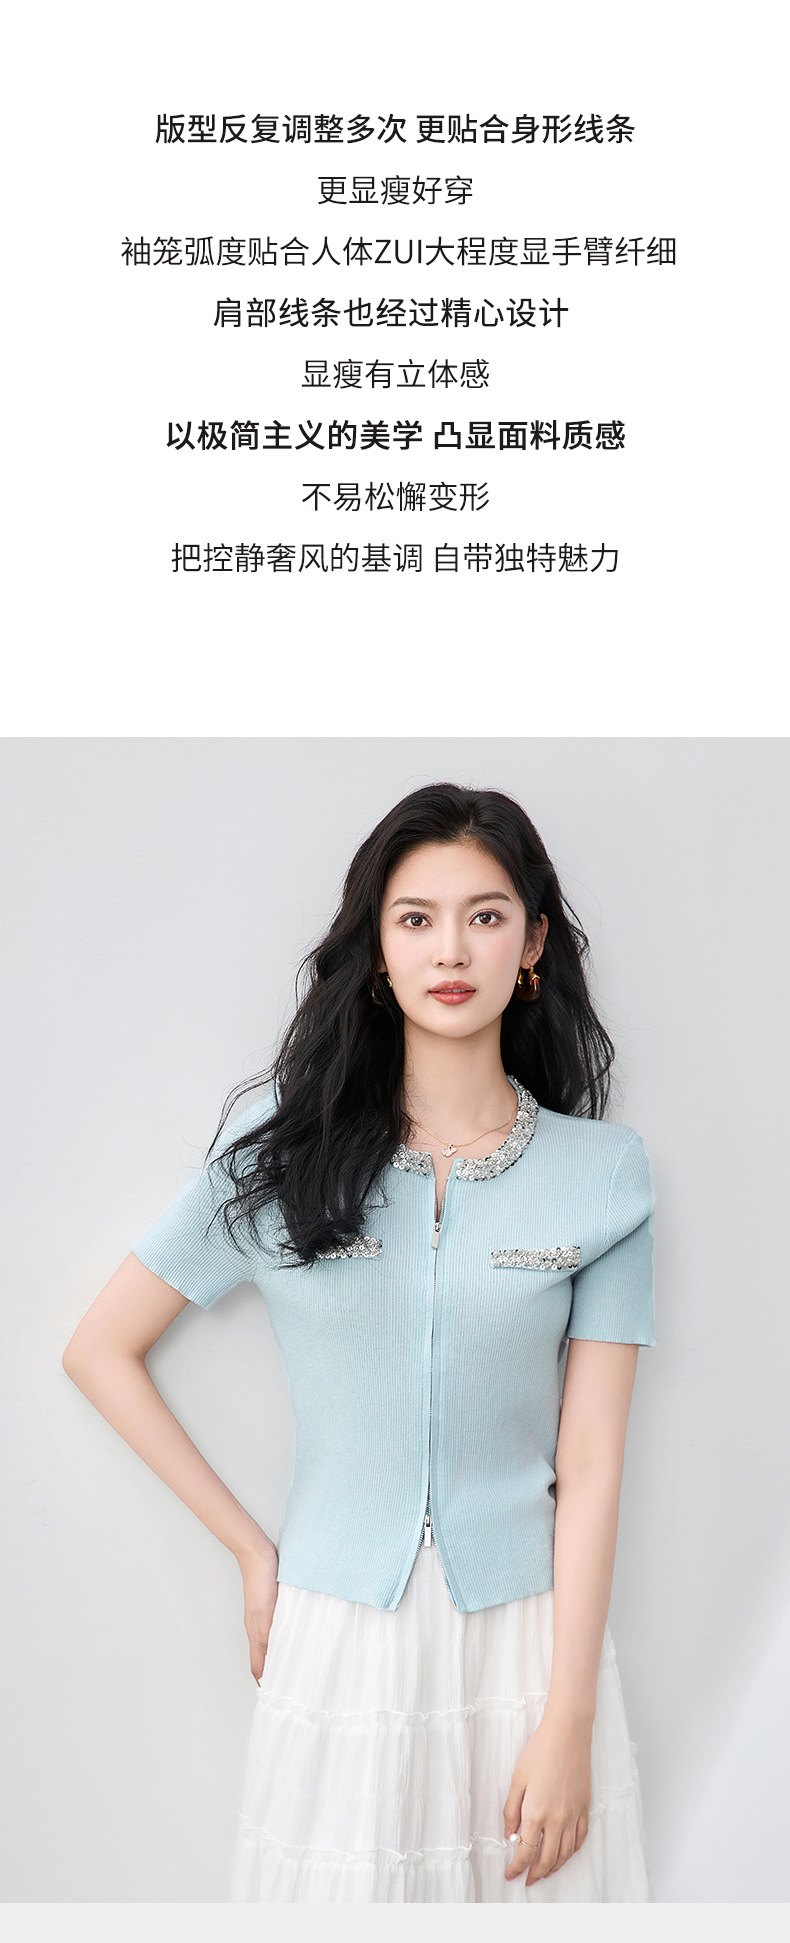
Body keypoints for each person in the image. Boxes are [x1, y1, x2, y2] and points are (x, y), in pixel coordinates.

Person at [62, 781, 656, 1903]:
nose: (451, 948)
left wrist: (570, 1715)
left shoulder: (603, 1174)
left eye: (486, 915)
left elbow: (591, 1462)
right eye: (415, 917)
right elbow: (101, 1348)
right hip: (336, 1632)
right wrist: (252, 1552)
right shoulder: (281, 1152)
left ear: (532, 942)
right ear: (377, 947)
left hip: (529, 1643)